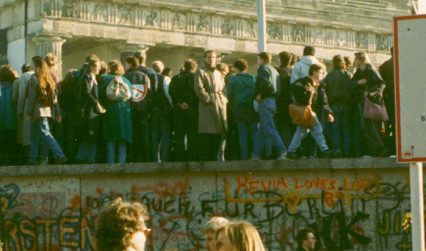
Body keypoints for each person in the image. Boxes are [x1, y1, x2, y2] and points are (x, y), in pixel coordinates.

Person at [25, 57, 66, 165]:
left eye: (34, 65)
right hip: (47, 111)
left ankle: (60, 155)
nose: (33, 67)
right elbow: (54, 98)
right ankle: (34, 159)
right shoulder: (48, 78)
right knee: (35, 135)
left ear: (37, 66)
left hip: (36, 111)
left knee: (45, 134)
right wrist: (57, 112)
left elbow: (31, 98)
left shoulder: (34, 78)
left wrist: (28, 113)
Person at [287, 64, 332, 159]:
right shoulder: (304, 81)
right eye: (321, 72)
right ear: (314, 72)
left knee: (301, 131)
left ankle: (291, 151)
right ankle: (325, 150)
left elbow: (323, 101)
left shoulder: (318, 85)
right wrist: (308, 89)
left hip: (308, 111)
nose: (323, 75)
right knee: (317, 128)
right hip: (306, 110)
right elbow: (294, 87)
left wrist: (328, 112)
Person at [351, 52, 387, 157]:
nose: (354, 61)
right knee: (367, 127)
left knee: (369, 126)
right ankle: (374, 151)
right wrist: (358, 83)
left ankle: (380, 149)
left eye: (356, 58)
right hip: (363, 102)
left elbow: (381, 84)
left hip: (370, 102)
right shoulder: (360, 71)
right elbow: (351, 84)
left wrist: (370, 92)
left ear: (361, 59)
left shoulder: (370, 69)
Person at [194, 50, 227, 161]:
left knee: (218, 133)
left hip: (218, 104)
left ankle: (214, 158)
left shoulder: (218, 73)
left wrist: (222, 100)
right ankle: (205, 160)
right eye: (208, 57)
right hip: (207, 106)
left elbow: (222, 88)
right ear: (204, 59)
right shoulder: (201, 72)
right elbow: (199, 88)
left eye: (213, 57)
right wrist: (208, 99)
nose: (211, 59)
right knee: (207, 132)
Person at [253, 52, 287, 160]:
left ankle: (282, 150)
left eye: (258, 59)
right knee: (261, 130)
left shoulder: (263, 68)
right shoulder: (274, 70)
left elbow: (265, 83)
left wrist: (259, 94)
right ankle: (256, 155)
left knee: (269, 128)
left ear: (262, 59)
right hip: (273, 101)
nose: (257, 61)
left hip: (265, 100)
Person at [99, 60, 133, 164]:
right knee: (122, 138)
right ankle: (121, 162)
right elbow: (131, 96)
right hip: (124, 112)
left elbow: (100, 94)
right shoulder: (126, 81)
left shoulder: (104, 79)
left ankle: (110, 162)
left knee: (110, 137)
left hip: (109, 111)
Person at [226, 59, 258, 160]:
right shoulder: (253, 78)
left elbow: (229, 94)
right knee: (254, 133)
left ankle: (244, 157)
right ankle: (255, 155)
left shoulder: (233, 79)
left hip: (239, 108)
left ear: (236, 68)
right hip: (252, 108)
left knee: (242, 134)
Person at [74, 58, 104, 163]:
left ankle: (91, 158)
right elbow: (86, 93)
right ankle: (81, 156)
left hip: (93, 109)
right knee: (89, 133)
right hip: (89, 109)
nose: (99, 69)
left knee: (93, 134)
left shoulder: (93, 77)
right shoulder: (87, 77)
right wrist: (96, 103)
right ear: (91, 67)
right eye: (97, 67)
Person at [169, 59, 199, 161]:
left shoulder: (175, 78)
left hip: (178, 110)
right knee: (192, 136)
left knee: (179, 136)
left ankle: (179, 158)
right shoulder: (196, 78)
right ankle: (192, 158)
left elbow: (172, 93)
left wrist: (180, 103)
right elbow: (196, 93)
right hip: (192, 110)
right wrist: (189, 103)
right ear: (194, 67)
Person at [323, 55, 352, 157]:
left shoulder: (329, 76)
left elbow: (326, 92)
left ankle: (337, 150)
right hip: (346, 105)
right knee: (346, 129)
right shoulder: (348, 75)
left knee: (336, 130)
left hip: (334, 105)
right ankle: (347, 151)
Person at [124, 56, 151, 163]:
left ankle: (132, 157)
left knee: (131, 134)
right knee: (143, 135)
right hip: (142, 109)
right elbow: (148, 94)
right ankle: (145, 157)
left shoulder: (125, 76)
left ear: (129, 64)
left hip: (129, 109)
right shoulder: (144, 76)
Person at [150, 60, 173, 162]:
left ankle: (154, 158)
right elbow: (169, 95)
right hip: (164, 110)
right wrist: (172, 106)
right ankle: (164, 158)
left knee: (154, 136)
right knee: (165, 135)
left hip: (152, 110)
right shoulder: (166, 79)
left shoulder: (147, 78)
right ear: (162, 68)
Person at [0, 64, 19, 165]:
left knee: (1, 143)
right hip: (12, 120)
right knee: (12, 142)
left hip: (1, 120)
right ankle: (12, 161)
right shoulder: (14, 86)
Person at [276, 51, 295, 146]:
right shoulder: (294, 71)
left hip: (282, 101)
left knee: (284, 126)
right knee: (293, 126)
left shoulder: (278, 71)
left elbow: (277, 88)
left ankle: (287, 148)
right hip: (293, 101)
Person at [379, 47, 395, 156]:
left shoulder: (383, 66)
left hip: (387, 98)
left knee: (388, 124)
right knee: (397, 125)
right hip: (397, 98)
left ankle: (390, 147)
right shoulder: (401, 64)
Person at [16, 64, 34, 163]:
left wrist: (19, 110)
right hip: (38, 108)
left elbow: (22, 94)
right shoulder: (36, 74)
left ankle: (28, 158)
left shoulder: (24, 76)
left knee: (26, 135)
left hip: (27, 106)